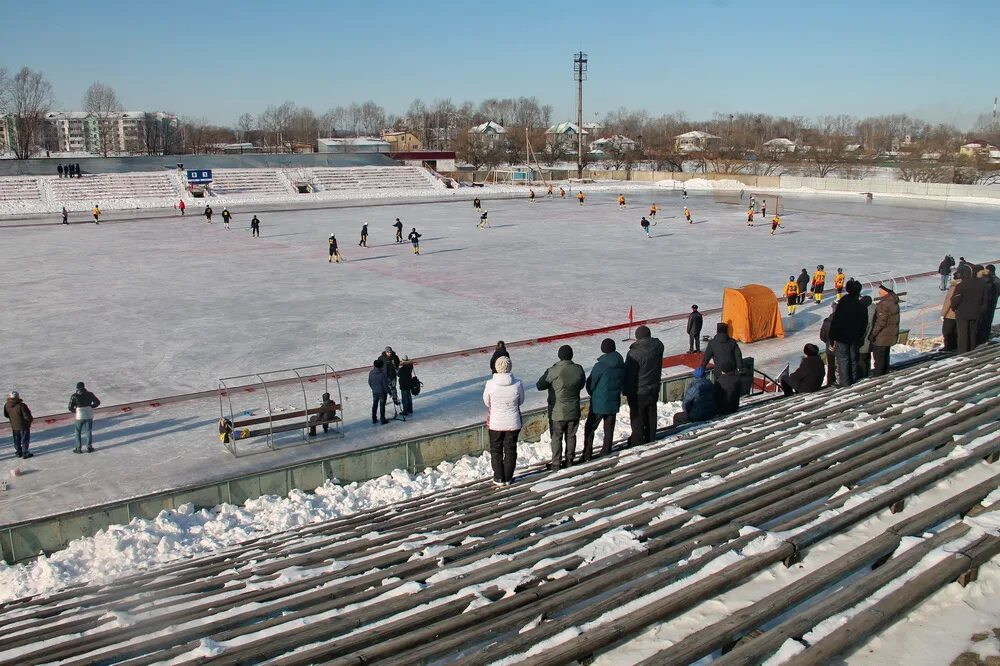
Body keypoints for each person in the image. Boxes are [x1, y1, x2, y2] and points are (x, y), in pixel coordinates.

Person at [536, 345, 586, 469]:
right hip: (573, 410)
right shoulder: (578, 369)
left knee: (556, 437)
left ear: (559, 356)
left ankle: (556, 463)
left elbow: (540, 385)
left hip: (557, 412)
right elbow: (581, 385)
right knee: (571, 436)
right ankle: (569, 460)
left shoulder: (553, 371)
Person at [483, 356, 524, 486]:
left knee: (496, 450)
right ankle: (508, 477)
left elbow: (486, 401)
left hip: (495, 423)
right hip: (513, 422)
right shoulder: (517, 384)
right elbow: (521, 401)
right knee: (510, 450)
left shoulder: (490, 384)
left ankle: (499, 477)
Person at [584, 339, 625, 460]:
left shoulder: (600, 366)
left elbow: (591, 382)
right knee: (609, 428)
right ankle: (606, 451)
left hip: (599, 402)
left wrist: (592, 393)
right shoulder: (621, 364)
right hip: (613, 400)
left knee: (590, 428)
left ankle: (587, 455)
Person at [624, 326, 664, 446]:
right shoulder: (658, 346)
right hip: (654, 387)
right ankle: (651, 437)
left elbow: (629, 375)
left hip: (639, 391)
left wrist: (626, 390)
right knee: (651, 413)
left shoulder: (633, 353)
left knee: (638, 417)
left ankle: (637, 442)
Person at [828, 279, 868, 386]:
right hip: (854, 337)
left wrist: (832, 336)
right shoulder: (860, 304)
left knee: (843, 359)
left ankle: (845, 383)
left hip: (842, 337)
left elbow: (836, 320)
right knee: (853, 358)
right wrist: (859, 335)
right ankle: (853, 379)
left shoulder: (844, 301)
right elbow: (864, 323)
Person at [951, 264, 987, 352]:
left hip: (962, 313)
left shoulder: (962, 285)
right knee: (972, 332)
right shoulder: (982, 283)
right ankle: (972, 349)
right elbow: (985, 299)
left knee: (963, 334)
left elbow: (956, 299)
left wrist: (954, 307)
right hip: (976, 312)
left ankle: (962, 352)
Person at [868, 285, 900, 376]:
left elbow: (880, 322)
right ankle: (885, 373)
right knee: (885, 356)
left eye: (881, 290)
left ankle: (879, 376)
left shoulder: (885, 303)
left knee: (879, 358)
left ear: (886, 291)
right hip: (889, 335)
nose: (879, 291)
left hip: (882, 336)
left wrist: (873, 334)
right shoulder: (893, 300)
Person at [68, 382, 100, 453]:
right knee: (88, 431)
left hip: (80, 416)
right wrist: (91, 407)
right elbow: (97, 402)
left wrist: (75, 410)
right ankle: (89, 447)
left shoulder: (74, 396)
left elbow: (70, 407)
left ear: (77, 388)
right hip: (89, 415)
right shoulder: (90, 394)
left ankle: (78, 448)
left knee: (78, 432)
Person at [4, 390, 33, 458]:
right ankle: (25, 452)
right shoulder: (22, 405)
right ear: (18, 396)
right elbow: (27, 417)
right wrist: (30, 421)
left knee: (16, 439)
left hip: (14, 426)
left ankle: (18, 452)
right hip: (23, 426)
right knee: (24, 439)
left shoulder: (7, 405)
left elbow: (6, 415)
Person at [977, 265, 999, 344]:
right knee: (988, 322)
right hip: (993, 304)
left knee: (981, 321)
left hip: (983, 304)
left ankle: (979, 338)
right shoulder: (997, 280)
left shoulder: (984, 280)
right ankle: (985, 337)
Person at [941, 271, 961, 352]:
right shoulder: (963, 285)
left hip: (950, 314)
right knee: (956, 330)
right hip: (959, 313)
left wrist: (943, 314)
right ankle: (955, 345)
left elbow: (948, 301)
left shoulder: (954, 287)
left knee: (947, 331)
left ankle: (948, 346)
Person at [857, 295, 876, 379]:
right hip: (872, 339)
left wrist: (859, 339)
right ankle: (867, 372)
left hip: (865, 340)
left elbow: (864, 328)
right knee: (867, 358)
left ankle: (863, 376)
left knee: (862, 359)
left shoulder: (867, 311)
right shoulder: (875, 308)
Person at [819, 303, 837, 387]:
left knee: (831, 366)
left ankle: (830, 382)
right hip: (842, 346)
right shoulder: (846, 319)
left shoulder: (827, 321)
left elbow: (822, 336)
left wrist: (828, 342)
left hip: (830, 347)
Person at [368, 360, 391, 425]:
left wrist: (373, 388)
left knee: (374, 405)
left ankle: (374, 418)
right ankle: (382, 419)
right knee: (382, 405)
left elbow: (369, 382)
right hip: (382, 392)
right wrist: (390, 392)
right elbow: (385, 385)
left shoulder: (371, 372)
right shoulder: (382, 374)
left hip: (375, 391)